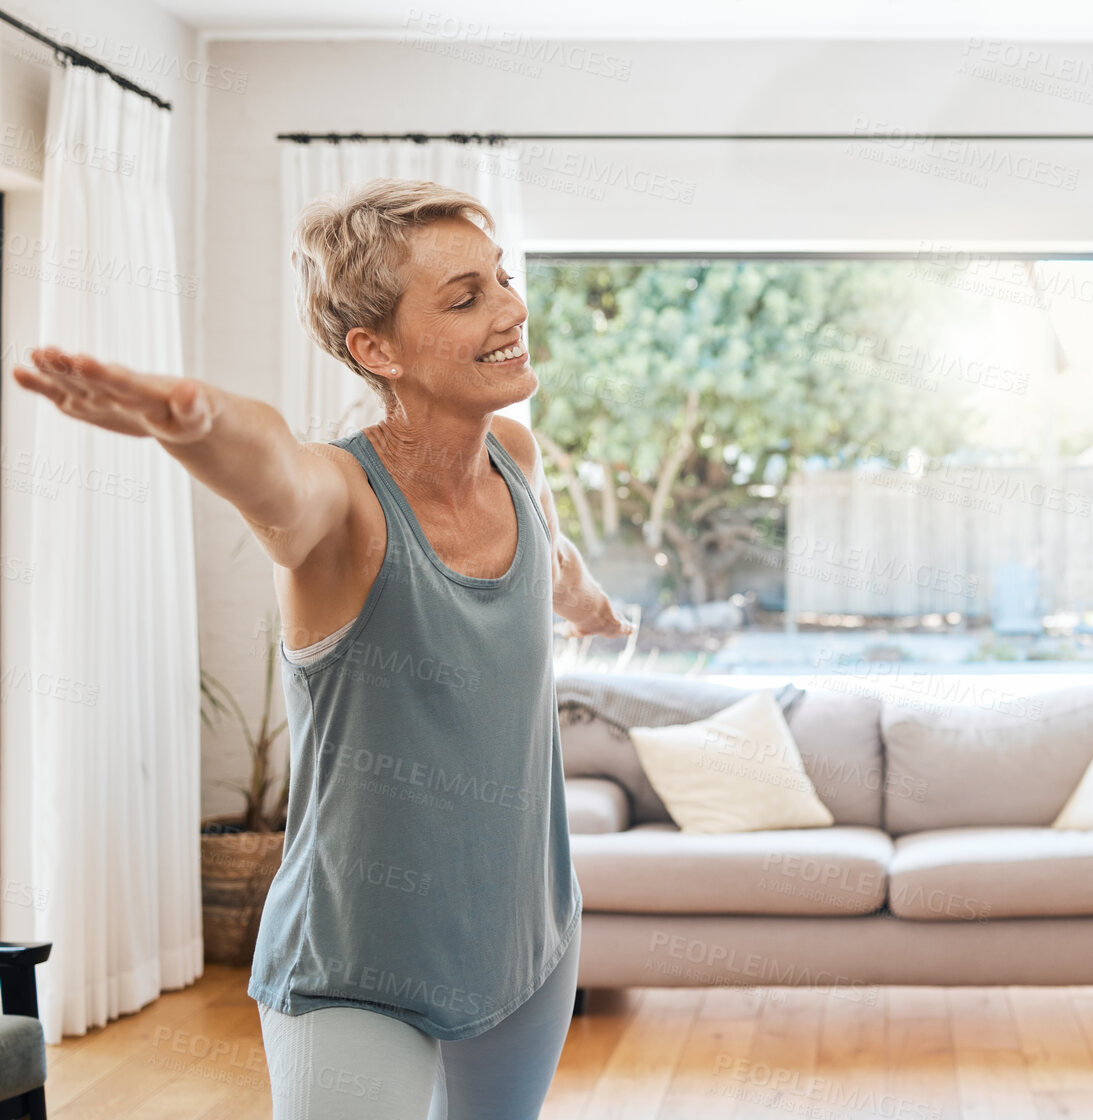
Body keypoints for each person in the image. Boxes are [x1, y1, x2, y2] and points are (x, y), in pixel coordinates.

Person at [13, 178, 632, 1119]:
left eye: (501, 278)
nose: (510, 309)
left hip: (527, 939)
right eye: (465, 298)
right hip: (356, 963)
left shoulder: (516, 451)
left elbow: (556, 563)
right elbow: (274, 469)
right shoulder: (342, 506)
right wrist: (197, 423)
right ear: (373, 349)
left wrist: (596, 613)